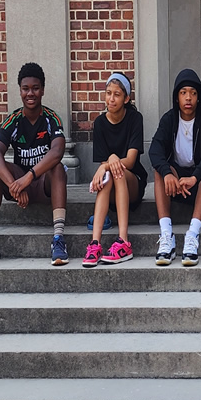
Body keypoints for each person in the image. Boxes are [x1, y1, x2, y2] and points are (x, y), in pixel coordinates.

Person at [0, 62, 69, 267]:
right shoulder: (13, 120)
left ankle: (59, 239)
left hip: (42, 184)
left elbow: (57, 151)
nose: (30, 93)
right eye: (25, 88)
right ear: (20, 91)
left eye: (35, 88)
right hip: (20, 185)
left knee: (58, 168)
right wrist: (14, 185)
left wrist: (27, 178)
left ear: (42, 90)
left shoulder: (51, 119)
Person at [148, 68, 201, 266]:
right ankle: (167, 236)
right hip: (177, 181)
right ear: (177, 97)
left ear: (199, 97)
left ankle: (192, 235)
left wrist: (195, 177)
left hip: (200, 182)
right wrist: (167, 173)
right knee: (159, 171)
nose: (188, 98)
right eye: (183, 93)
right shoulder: (169, 119)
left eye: (193, 93)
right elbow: (155, 149)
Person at [84, 72, 147, 267]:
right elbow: (106, 165)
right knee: (109, 175)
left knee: (116, 171)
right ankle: (95, 244)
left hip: (133, 182)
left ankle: (124, 242)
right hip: (111, 186)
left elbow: (130, 161)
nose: (111, 99)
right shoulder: (100, 123)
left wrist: (108, 161)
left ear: (126, 99)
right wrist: (107, 164)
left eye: (117, 94)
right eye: (108, 93)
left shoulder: (135, 118)